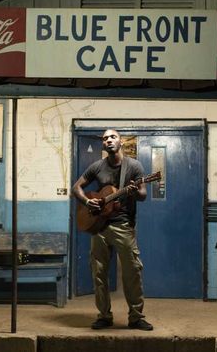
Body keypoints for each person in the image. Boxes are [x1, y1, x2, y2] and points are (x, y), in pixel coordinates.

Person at [72, 129, 154, 331]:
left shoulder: (133, 166)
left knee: (132, 271)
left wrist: (134, 192)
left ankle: (136, 317)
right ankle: (104, 316)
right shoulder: (97, 167)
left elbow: (143, 194)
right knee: (99, 273)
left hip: (123, 225)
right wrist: (87, 201)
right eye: (105, 138)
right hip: (99, 226)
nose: (108, 140)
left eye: (113, 137)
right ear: (103, 144)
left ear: (121, 142)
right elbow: (76, 187)